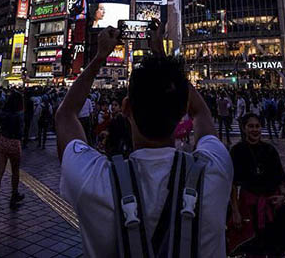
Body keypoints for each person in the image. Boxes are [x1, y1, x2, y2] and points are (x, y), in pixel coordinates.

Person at [57, 22, 233, 257]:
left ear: (126, 108)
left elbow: (65, 116)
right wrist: (161, 53)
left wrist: (99, 57)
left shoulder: (93, 178)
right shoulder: (215, 169)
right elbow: (201, 113)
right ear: (183, 109)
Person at [229, 113, 285, 257]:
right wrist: (235, 211)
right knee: (253, 251)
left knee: (276, 251)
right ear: (244, 128)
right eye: (250, 126)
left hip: (273, 207)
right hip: (249, 208)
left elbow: (281, 178)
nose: (255, 130)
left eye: (257, 126)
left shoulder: (270, 150)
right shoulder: (237, 151)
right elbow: (232, 184)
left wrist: (282, 196)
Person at [0, 92, 25, 218]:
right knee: (15, 171)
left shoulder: (3, 112)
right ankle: (14, 195)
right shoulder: (19, 114)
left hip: (3, 140)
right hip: (15, 142)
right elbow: (21, 131)